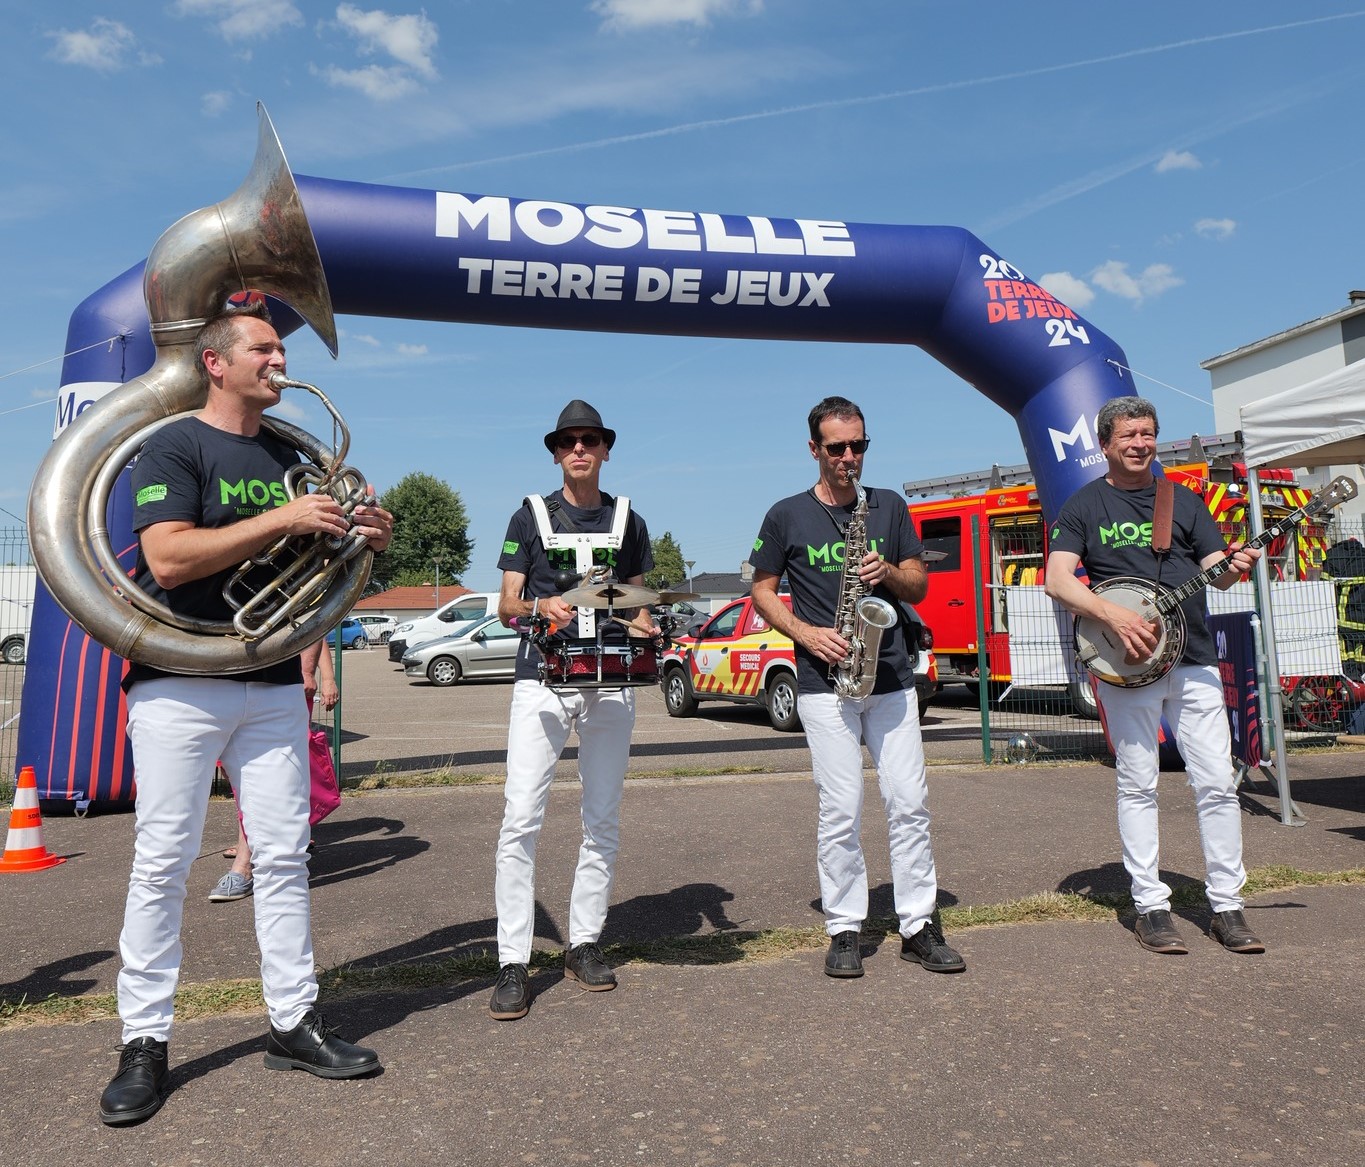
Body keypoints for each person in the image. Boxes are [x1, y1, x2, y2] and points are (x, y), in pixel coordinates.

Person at [99, 298, 394, 1126]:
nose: (279, 360)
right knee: (162, 859)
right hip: (176, 676)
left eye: (278, 349)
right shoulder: (174, 443)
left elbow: (316, 579)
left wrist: (359, 538)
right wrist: (286, 516)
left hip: (269, 682)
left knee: (285, 855)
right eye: (263, 348)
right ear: (217, 362)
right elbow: (166, 552)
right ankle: (144, 1043)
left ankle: (293, 1022)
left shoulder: (288, 453)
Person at [748, 396, 964, 979]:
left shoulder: (889, 507)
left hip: (890, 677)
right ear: (814, 448)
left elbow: (917, 583)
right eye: (838, 447)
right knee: (840, 808)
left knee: (910, 803)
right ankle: (845, 926)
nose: (850, 458)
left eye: (859, 447)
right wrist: (807, 635)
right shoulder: (786, 514)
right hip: (824, 678)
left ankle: (919, 924)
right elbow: (762, 592)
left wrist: (888, 572)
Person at [1044, 395, 1265, 956]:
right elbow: (1058, 580)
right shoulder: (1084, 505)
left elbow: (1216, 575)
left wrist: (1235, 568)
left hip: (1192, 660)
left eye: (1148, 434)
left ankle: (1227, 906)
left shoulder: (1183, 501)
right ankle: (1151, 906)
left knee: (1216, 780)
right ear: (1105, 444)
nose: (1140, 444)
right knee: (1137, 782)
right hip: (1125, 664)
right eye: (1128, 436)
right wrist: (1112, 614)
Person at [488, 400, 656, 1020]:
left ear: (605, 449)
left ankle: (583, 943)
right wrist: (541, 607)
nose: (579, 449)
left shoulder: (629, 518)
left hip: (610, 681)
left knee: (602, 818)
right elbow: (507, 602)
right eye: (568, 441)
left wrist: (646, 626)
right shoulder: (529, 514)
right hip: (543, 678)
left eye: (590, 440)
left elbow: (637, 600)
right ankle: (512, 960)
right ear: (556, 452)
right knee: (521, 818)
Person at [210, 638, 340, 902]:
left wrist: (316, 674)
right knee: (237, 773)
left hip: (281, 680)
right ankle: (258, 842)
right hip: (220, 676)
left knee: (276, 769)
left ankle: (247, 864)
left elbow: (315, 623)